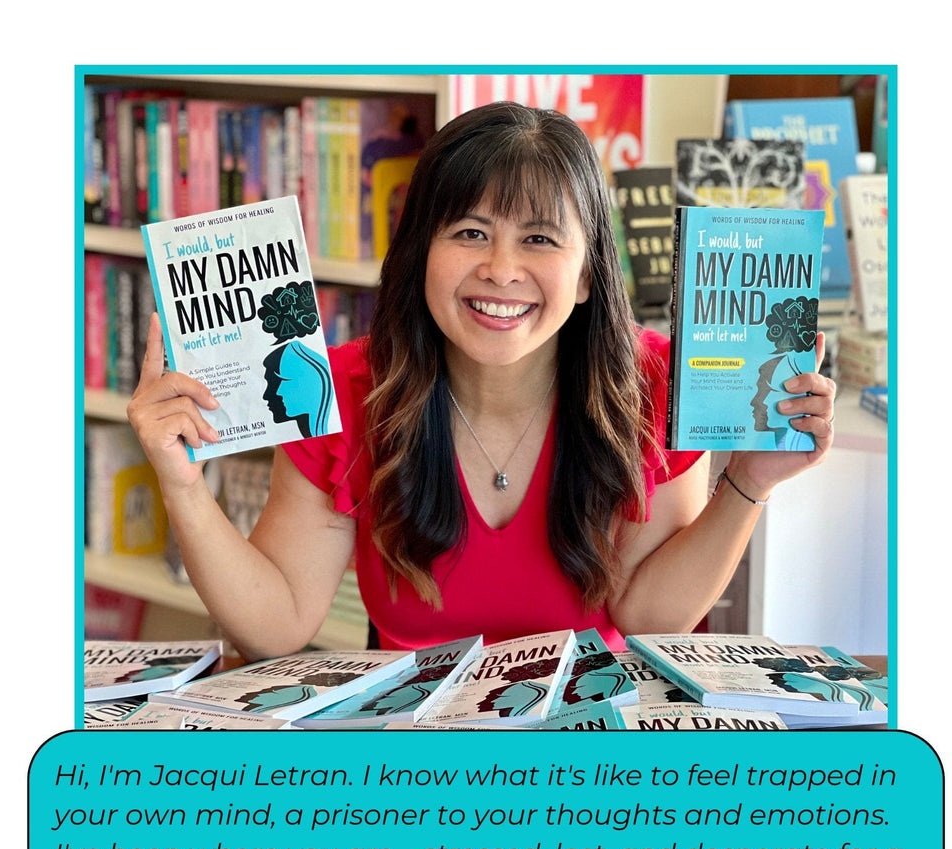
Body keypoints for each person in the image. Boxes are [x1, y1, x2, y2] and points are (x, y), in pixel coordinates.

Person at [127, 102, 835, 662]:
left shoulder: (657, 382)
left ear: (589, 273)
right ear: (420, 253)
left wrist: (749, 481)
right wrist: (181, 485)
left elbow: (650, 619)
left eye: (540, 238)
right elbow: (277, 626)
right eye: (469, 232)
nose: (500, 269)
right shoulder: (338, 389)